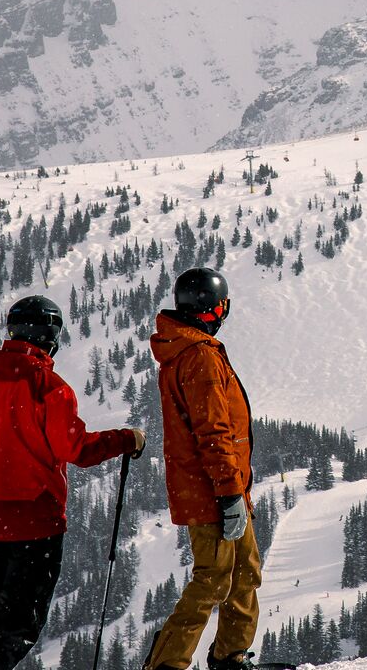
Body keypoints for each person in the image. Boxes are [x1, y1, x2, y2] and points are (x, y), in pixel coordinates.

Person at [0, 295, 142, 670]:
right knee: (19, 625)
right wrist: (126, 439)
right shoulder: (50, 387)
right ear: (51, 335)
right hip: (36, 523)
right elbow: (78, 449)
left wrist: (6, 457)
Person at [144, 267, 260, 670]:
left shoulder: (190, 351)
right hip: (213, 488)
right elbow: (213, 431)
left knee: (244, 572)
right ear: (213, 308)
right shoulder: (199, 357)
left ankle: (231, 654)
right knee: (213, 577)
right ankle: (167, 665)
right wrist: (229, 493)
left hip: (222, 485)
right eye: (224, 304)